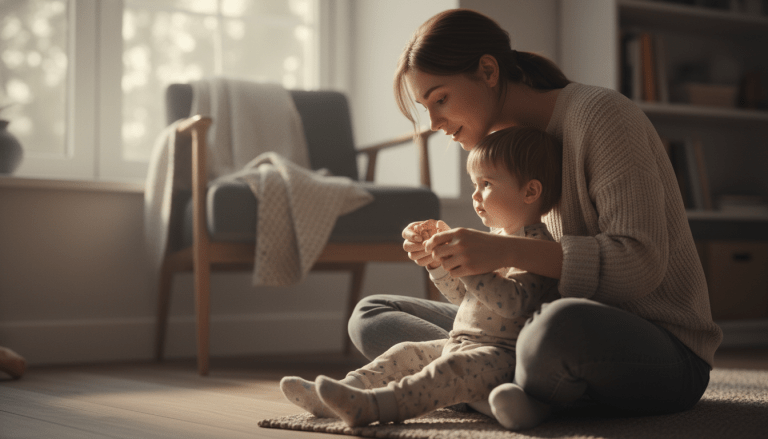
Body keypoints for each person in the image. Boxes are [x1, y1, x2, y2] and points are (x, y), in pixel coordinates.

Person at [348, 8, 722, 431]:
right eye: (425, 107)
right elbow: (505, 300)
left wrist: (504, 250)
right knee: (372, 315)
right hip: (524, 330)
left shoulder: (602, 116)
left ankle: (477, 383)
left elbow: (640, 263)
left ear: (488, 71)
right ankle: (497, 384)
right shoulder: (503, 150)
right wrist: (451, 260)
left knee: (556, 329)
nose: (433, 123)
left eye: (441, 99)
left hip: (656, 347)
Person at [280, 126, 562, 427]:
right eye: (474, 184)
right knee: (405, 352)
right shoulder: (493, 238)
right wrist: (438, 263)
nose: (475, 195)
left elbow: (512, 304)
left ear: (530, 192)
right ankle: (341, 392)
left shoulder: (536, 247)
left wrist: (466, 264)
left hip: (500, 355)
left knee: (446, 371)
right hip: (461, 342)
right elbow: (463, 299)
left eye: (487, 184)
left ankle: (375, 407)